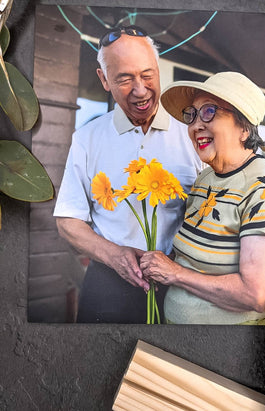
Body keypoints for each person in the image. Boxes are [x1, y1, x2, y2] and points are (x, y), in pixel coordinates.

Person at [53, 26, 201, 323]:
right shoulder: (87, 138)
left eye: (148, 75)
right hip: (108, 285)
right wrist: (114, 255)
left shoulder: (194, 133)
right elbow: (68, 220)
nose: (140, 90)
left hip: (182, 285)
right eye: (124, 79)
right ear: (103, 80)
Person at [140, 71, 265, 325]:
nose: (195, 125)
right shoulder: (206, 179)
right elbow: (196, 257)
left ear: (244, 128)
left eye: (209, 111)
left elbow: (259, 295)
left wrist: (175, 274)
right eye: (192, 114)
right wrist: (160, 265)